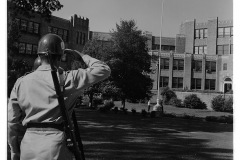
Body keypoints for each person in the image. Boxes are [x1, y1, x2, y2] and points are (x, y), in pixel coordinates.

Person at [8, 33, 111, 160]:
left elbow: (12, 122)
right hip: (55, 146)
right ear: (61, 55)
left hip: (28, 146)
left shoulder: (21, 82)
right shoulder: (68, 78)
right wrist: (81, 56)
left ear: (39, 54)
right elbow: (103, 69)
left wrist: (14, 150)